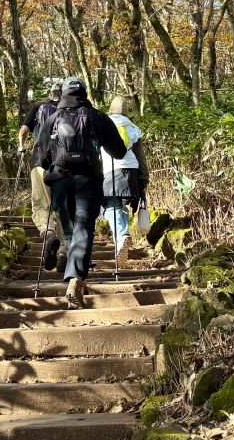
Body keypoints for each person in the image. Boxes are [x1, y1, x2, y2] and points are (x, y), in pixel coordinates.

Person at [33, 77, 128, 308]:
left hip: (61, 181)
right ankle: (75, 277)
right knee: (84, 227)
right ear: (84, 93)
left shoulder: (54, 118)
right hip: (88, 179)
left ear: (63, 93)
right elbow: (119, 151)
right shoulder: (97, 117)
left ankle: (70, 269)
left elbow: (40, 158)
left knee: (69, 230)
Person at [18, 81, 64, 270]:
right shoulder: (69, 110)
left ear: (50, 93)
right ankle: (63, 254)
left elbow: (24, 131)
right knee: (62, 207)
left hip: (40, 160)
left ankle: (47, 232)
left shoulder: (38, 107)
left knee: (40, 203)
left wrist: (21, 146)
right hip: (63, 163)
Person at [101, 95, 149, 259]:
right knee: (121, 206)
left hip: (110, 171)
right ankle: (120, 241)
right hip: (132, 171)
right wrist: (144, 178)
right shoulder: (133, 127)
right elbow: (140, 156)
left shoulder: (103, 124)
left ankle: (122, 235)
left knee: (110, 206)